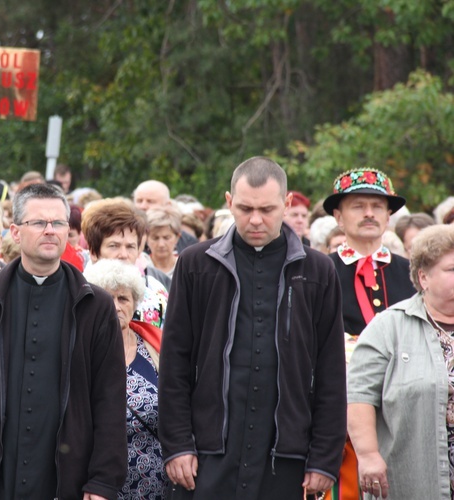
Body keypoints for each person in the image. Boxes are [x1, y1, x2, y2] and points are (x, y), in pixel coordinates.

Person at [159, 157, 347, 499]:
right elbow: (174, 362)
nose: (256, 219)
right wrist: (177, 444)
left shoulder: (318, 271)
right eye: (245, 208)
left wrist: (324, 459)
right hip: (207, 452)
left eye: (267, 209)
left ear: (287, 204)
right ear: (229, 202)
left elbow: (332, 370)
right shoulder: (196, 265)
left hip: (287, 456)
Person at [0, 183, 127, 500]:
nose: (50, 231)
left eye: (58, 223)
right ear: (16, 232)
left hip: (66, 481)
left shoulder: (94, 305)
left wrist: (103, 480)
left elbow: (110, 400)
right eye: (39, 223)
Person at [323, 168, 415, 499]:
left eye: (377, 206)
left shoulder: (411, 271)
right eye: (358, 205)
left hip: (403, 406)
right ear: (338, 215)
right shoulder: (319, 271)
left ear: (389, 216)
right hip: (341, 405)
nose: (369, 214)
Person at [347, 224, 454, 500]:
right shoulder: (388, 328)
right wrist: (368, 455)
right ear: (424, 277)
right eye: (451, 270)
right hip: (413, 481)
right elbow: (358, 395)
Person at [84, 259, 168, 499]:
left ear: (135, 303)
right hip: (97, 486)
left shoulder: (155, 347)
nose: (115, 306)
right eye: (107, 298)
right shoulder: (80, 350)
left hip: (156, 482)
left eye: (123, 299)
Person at [81, 198, 169, 328]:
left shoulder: (155, 290)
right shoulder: (78, 291)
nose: (123, 254)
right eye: (114, 246)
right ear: (93, 252)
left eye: (130, 247)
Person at [133, 180, 198, 255]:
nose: (143, 206)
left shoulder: (188, 242)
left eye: (150, 201)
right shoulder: (125, 236)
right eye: (139, 201)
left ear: (168, 205)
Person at [146, 205, 182, 280]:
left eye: (166, 238)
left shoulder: (184, 267)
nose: (161, 244)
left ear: (177, 237)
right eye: (155, 238)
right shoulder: (141, 266)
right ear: (146, 238)